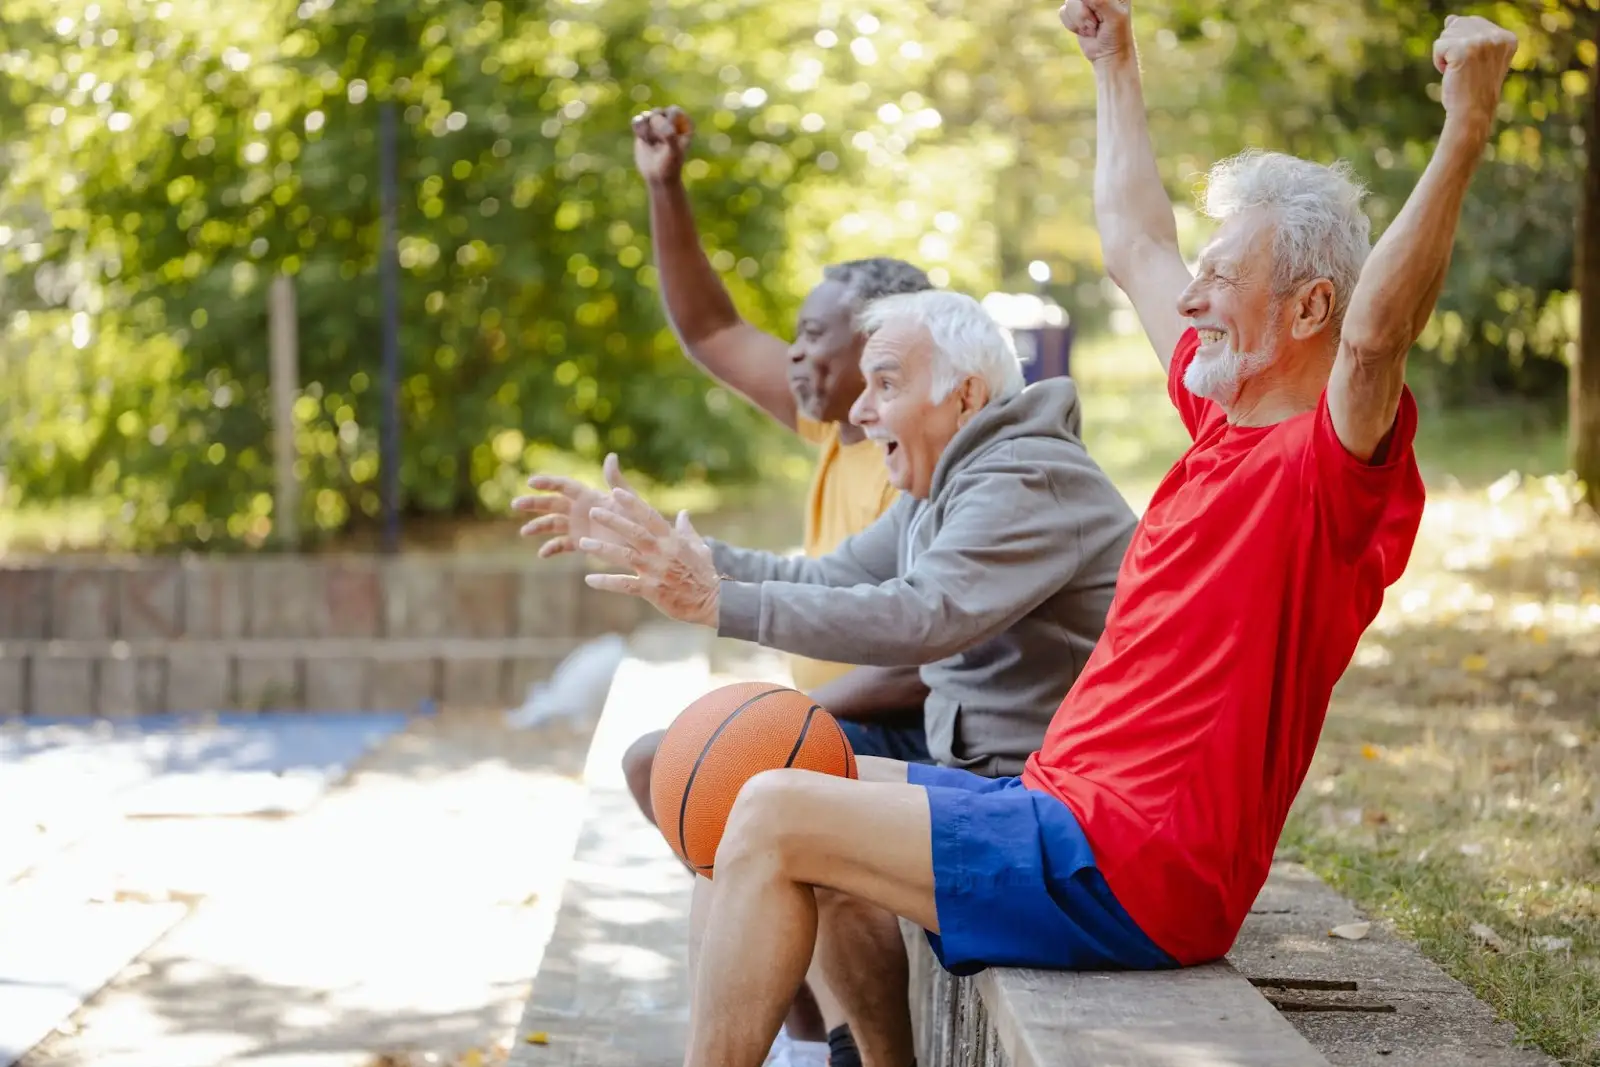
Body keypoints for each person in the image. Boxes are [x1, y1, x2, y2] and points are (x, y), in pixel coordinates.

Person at [548, 2, 1519, 1063]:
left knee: (775, 809)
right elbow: (1135, 240)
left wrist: (1464, 127)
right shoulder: (1216, 423)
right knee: (744, 775)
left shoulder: (1327, 471)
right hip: (1057, 810)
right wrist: (1115, 61)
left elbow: (1376, 335)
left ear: (1305, 309)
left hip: (1131, 863)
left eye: (1221, 279)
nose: (1187, 294)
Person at [521, 287, 1136, 1066]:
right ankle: (812, 1048)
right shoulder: (947, 483)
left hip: (1041, 801)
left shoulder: (1023, 474)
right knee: (705, 778)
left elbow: (922, 615)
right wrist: (657, 552)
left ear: (967, 394)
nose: (864, 411)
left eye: (886, 384)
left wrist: (718, 600)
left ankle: (847, 1054)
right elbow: (822, 577)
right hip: (982, 771)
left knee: (781, 799)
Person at [624, 103, 940, 803]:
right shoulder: (834, 423)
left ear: (881, 344)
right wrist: (664, 187)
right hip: (842, 718)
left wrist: (787, 720)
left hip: (903, 728)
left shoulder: (919, 461)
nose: (794, 350)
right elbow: (711, 329)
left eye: (814, 333)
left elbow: (928, 659)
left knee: (672, 766)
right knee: (667, 768)